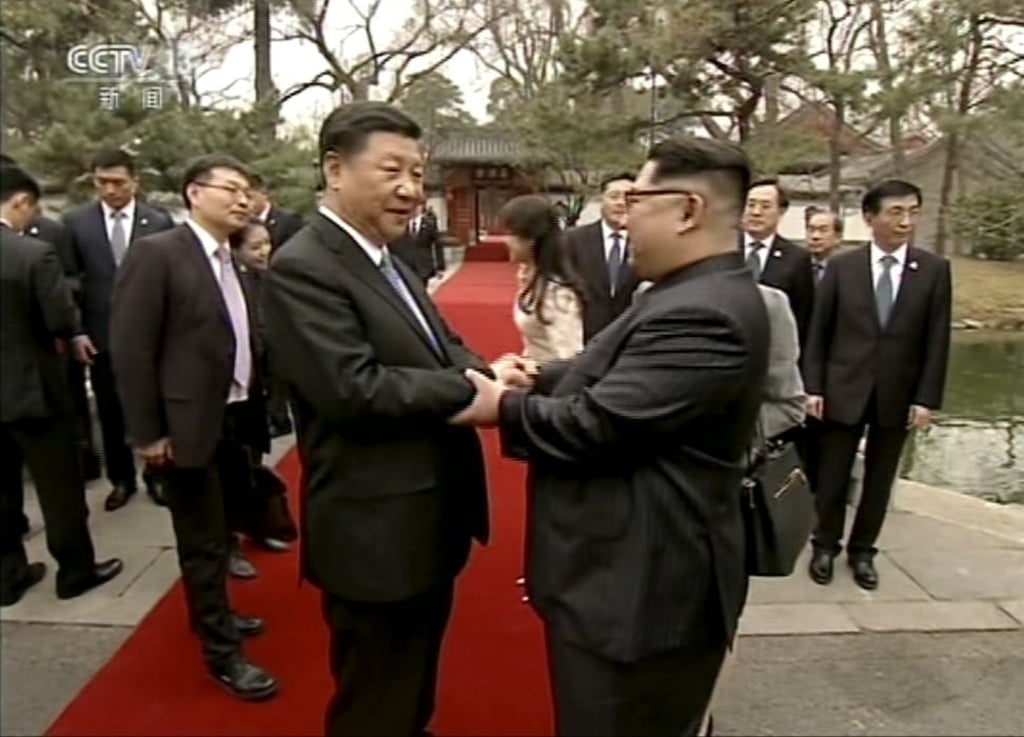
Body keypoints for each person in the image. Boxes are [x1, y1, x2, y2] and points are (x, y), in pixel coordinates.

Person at [451, 136, 770, 737]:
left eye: (636, 200)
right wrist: (542, 376)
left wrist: (504, 407)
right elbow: (611, 371)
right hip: (628, 578)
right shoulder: (685, 291)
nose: (621, 215)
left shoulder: (706, 312)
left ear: (688, 210)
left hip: (640, 590)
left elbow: (600, 424)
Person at [263, 102, 499, 737]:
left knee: (410, 688)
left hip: (424, 518)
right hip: (375, 532)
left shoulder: (389, 258)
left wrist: (488, 373)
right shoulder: (305, 266)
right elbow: (353, 388)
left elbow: (444, 341)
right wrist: (467, 390)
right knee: (375, 701)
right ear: (334, 170)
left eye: (418, 174)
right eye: (391, 170)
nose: (409, 189)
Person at [110, 153, 278, 701]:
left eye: (246, 189)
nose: (241, 199)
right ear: (193, 193)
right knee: (202, 539)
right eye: (229, 188)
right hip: (184, 423)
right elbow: (132, 349)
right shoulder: (158, 254)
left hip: (233, 416)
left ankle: (214, 613)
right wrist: (148, 433)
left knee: (223, 527)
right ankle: (221, 651)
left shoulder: (235, 260)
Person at [804, 179, 951, 591]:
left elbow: (936, 340)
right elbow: (819, 333)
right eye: (896, 212)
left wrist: (926, 399)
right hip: (842, 389)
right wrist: (813, 387)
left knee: (880, 480)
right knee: (831, 475)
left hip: (898, 395)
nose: (906, 222)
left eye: (913, 212)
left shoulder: (934, 270)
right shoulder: (842, 267)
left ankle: (863, 550)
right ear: (870, 218)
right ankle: (825, 544)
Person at [1, 163, 124, 606]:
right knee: (60, 488)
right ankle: (75, 571)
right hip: (34, 390)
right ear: (19, 202)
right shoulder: (31, 255)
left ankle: (8, 574)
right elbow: (58, 318)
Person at [63, 148, 175, 510]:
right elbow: (68, 283)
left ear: (134, 181)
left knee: (151, 409)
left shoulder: (157, 221)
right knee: (110, 412)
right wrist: (77, 331)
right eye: (102, 182)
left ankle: (157, 477)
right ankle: (122, 480)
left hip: (151, 336)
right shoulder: (76, 223)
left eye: (118, 182)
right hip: (101, 336)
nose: (110, 190)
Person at [500, 194, 584, 364]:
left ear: (530, 239)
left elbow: (569, 358)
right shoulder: (530, 278)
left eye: (510, 234)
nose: (505, 240)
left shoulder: (557, 294)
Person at [563, 173, 640, 342]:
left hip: (631, 337)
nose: (621, 203)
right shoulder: (573, 240)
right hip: (583, 336)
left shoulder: (647, 241)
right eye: (614, 196)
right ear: (601, 200)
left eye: (628, 197)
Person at [741, 179, 815, 346]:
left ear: (781, 211)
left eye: (765, 206)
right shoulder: (724, 248)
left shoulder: (796, 258)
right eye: (751, 205)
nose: (756, 212)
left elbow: (803, 317)